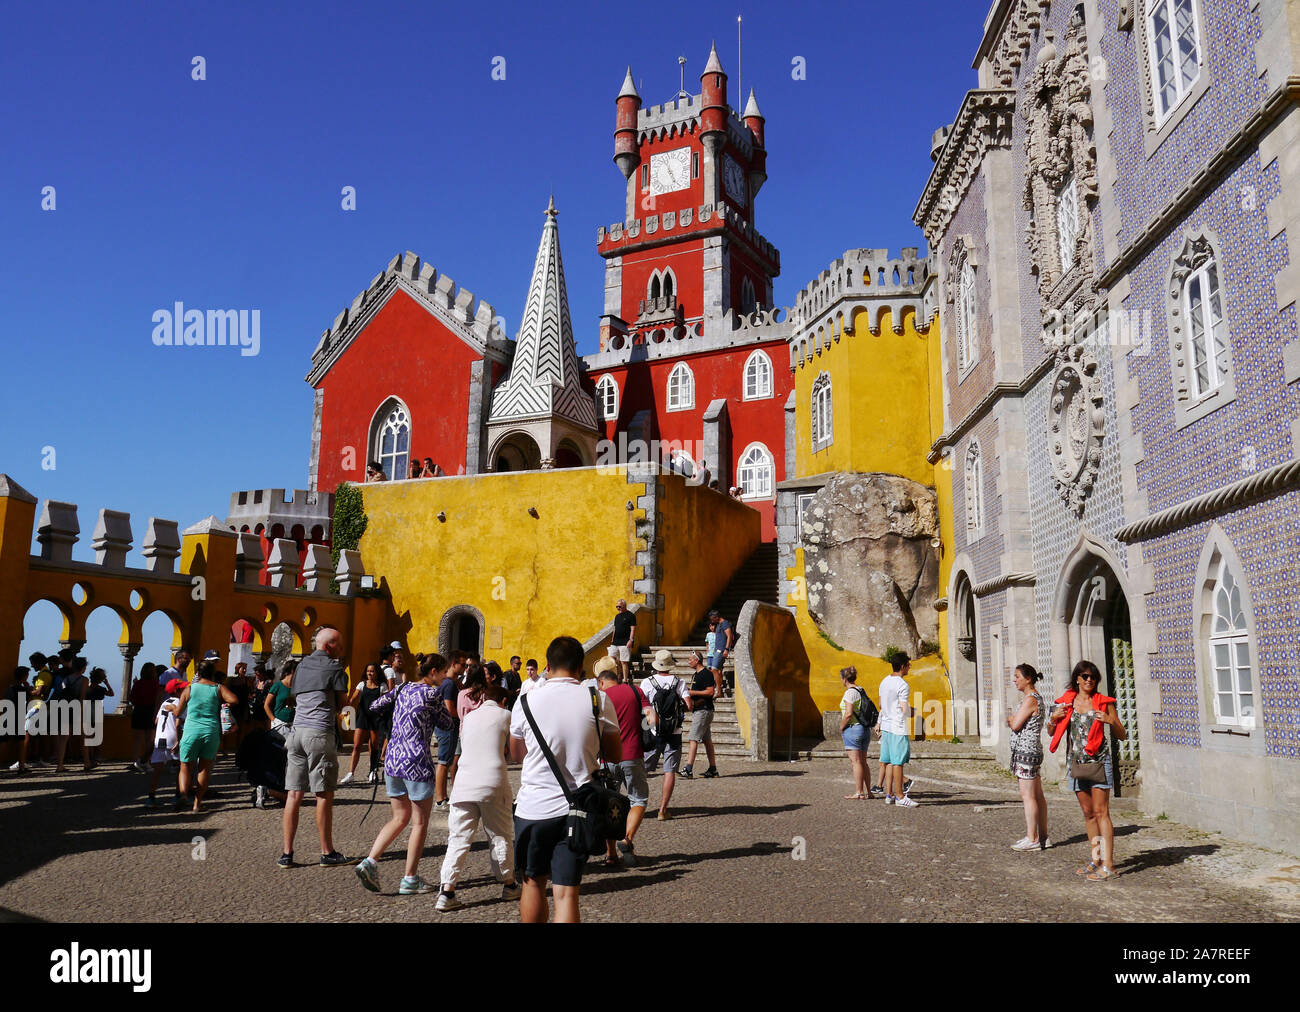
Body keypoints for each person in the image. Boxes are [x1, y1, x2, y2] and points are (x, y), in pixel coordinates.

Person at [509, 635, 621, 923]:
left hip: (533, 806)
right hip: (578, 810)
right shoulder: (599, 699)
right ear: (581, 667)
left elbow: (517, 754)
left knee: (532, 882)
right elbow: (615, 754)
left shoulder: (525, 701)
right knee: (567, 893)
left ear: (547, 665)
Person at [354, 654, 456, 895]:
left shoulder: (403, 688)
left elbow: (375, 706)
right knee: (419, 822)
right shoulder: (432, 694)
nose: (444, 677)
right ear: (432, 673)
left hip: (393, 758)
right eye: (442, 673)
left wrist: (399, 717)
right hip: (417, 760)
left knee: (399, 817)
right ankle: (409, 878)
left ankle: (369, 861)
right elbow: (447, 724)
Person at [435, 663, 520, 910]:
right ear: (503, 702)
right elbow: (513, 752)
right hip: (492, 782)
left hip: (463, 784)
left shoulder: (469, 717)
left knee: (458, 839)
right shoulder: (506, 715)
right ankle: (509, 884)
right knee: (500, 834)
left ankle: (447, 892)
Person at [1048, 660, 1126, 881]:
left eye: (1092, 676)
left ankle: (1109, 864)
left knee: (1102, 812)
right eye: (1084, 676)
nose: (1089, 680)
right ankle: (1096, 859)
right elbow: (1050, 730)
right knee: (1088, 814)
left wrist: (1110, 720)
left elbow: (1122, 734)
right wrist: (1053, 719)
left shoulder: (1103, 703)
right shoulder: (1066, 703)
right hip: (1077, 763)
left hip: (1100, 762)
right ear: (1077, 679)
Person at [280, 626, 349, 869]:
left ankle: (287, 853)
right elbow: (342, 704)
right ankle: (326, 852)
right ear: (329, 646)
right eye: (339, 644)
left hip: (296, 733)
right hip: (319, 733)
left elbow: (294, 693)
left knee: (294, 794)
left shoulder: (300, 667)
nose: (341, 649)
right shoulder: (335, 667)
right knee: (323, 794)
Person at [595, 659, 653, 867]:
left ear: (601, 681)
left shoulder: (599, 697)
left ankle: (611, 855)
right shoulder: (635, 691)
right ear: (616, 675)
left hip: (606, 758)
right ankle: (626, 838)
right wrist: (641, 728)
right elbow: (651, 718)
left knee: (609, 804)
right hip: (632, 754)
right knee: (638, 799)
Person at [172, 660, 237, 812]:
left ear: (198, 673)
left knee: (185, 767)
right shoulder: (218, 688)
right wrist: (226, 705)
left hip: (191, 732)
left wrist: (171, 707)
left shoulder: (189, 689)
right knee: (204, 769)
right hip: (211, 732)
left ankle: (183, 795)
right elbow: (234, 699)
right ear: (212, 673)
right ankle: (197, 804)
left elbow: (178, 713)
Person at [640, 648, 692, 820]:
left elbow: (642, 707)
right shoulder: (679, 682)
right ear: (670, 665)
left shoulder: (647, 682)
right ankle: (662, 810)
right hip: (674, 732)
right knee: (669, 771)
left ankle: (638, 806)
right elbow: (689, 705)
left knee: (642, 771)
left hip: (652, 731)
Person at [1007, 663, 1051, 851]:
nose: (1014, 680)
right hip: (1031, 750)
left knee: (1028, 796)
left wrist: (1011, 719)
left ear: (1028, 679)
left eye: (1017, 676)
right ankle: (1043, 836)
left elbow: (1016, 724)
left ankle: (1032, 838)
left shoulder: (1031, 699)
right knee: (1037, 795)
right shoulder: (1033, 698)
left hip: (1026, 752)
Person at [878, 653, 918, 808]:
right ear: (902, 666)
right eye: (908, 665)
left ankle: (889, 794)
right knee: (898, 763)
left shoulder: (884, 681)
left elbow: (881, 704)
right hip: (898, 726)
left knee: (888, 762)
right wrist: (912, 711)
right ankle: (900, 796)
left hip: (886, 726)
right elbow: (904, 708)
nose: (909, 667)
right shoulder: (902, 685)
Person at [341, 663, 386, 786]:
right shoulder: (361, 685)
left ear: (377, 673)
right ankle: (351, 773)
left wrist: (383, 714)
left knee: (374, 746)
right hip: (362, 717)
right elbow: (353, 699)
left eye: (372, 671)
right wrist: (346, 710)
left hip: (375, 718)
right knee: (356, 746)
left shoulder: (382, 686)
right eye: (368, 671)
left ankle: (372, 771)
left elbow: (385, 702)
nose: (370, 673)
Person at [146, 679, 187, 807]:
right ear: (177, 691)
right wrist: (179, 740)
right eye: (183, 688)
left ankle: (151, 797)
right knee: (180, 767)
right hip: (173, 738)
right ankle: (178, 795)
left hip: (160, 738)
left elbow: (157, 721)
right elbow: (179, 723)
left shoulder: (164, 702)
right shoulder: (180, 703)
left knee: (157, 770)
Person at [681, 650, 719, 780]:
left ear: (697, 660)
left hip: (704, 710)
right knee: (707, 740)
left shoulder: (706, 674)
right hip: (700, 710)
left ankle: (688, 769)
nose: (688, 661)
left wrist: (692, 692)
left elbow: (710, 692)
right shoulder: (695, 675)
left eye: (690, 659)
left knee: (693, 738)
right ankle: (713, 769)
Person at [838, 666, 874, 800]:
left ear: (845, 679)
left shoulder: (849, 693)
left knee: (856, 762)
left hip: (853, 729)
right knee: (863, 762)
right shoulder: (860, 690)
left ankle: (859, 792)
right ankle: (869, 791)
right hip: (864, 729)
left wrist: (841, 727)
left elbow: (848, 713)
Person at [433, 653, 464, 808]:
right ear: (454, 664)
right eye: (462, 665)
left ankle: (443, 796)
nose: (464, 668)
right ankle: (440, 799)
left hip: (446, 727)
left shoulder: (450, 682)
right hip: (448, 726)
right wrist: (465, 717)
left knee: (446, 761)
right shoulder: (449, 685)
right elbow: (449, 708)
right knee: (443, 762)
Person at [51, 657, 90, 774]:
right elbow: (82, 697)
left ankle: (60, 765)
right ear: (83, 668)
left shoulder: (66, 679)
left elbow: (62, 693)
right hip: (76, 708)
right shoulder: (84, 680)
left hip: (64, 708)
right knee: (83, 737)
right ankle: (87, 762)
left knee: (63, 738)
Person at [128, 663, 160, 772]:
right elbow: (157, 699)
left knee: (137, 739)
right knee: (150, 739)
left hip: (139, 711)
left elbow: (131, 698)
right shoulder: (156, 684)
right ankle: (146, 762)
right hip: (151, 711)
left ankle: (135, 762)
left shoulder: (138, 683)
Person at [84, 667, 114, 768]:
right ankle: (94, 758)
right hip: (97, 712)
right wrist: (107, 683)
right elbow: (111, 693)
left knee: (88, 737)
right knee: (95, 737)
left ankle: (89, 759)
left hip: (87, 711)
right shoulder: (101, 689)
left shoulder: (86, 688)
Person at [705, 611, 735, 699]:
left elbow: (729, 636)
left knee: (713, 669)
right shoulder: (719, 624)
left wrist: (726, 649)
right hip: (717, 650)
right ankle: (719, 690)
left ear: (716, 617)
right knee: (718, 671)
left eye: (712, 619)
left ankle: (718, 691)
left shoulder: (724, 623)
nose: (712, 621)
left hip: (720, 650)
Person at [609, 599, 637, 684]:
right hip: (615, 642)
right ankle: (617, 676)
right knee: (611, 660)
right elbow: (615, 629)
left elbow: (633, 629)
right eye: (617, 606)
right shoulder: (617, 616)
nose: (618, 608)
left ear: (624, 606)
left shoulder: (631, 615)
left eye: (619, 606)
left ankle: (625, 680)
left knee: (624, 661)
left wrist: (631, 640)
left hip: (625, 642)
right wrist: (612, 639)